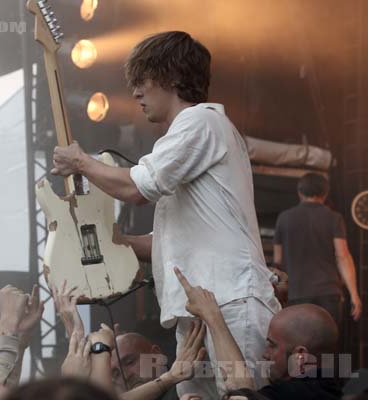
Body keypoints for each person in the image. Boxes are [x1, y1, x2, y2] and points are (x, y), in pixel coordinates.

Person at [51, 30, 279, 398]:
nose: (136, 93)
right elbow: (174, 239)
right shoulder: (191, 136)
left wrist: (81, 162)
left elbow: (138, 188)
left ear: (171, 77)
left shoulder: (200, 122)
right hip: (197, 311)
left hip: (230, 302)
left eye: (142, 80)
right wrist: (118, 243)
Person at [176, 267, 345, 400]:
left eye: (272, 344)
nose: (264, 354)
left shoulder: (299, 393)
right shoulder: (324, 386)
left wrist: (213, 317)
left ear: (300, 356)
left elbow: (240, 394)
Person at [273, 172, 362, 325]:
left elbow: (277, 260)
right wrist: (354, 294)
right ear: (325, 194)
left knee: (297, 344)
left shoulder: (284, 218)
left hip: (295, 294)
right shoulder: (334, 218)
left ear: (300, 192)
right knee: (327, 345)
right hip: (328, 293)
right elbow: (343, 256)